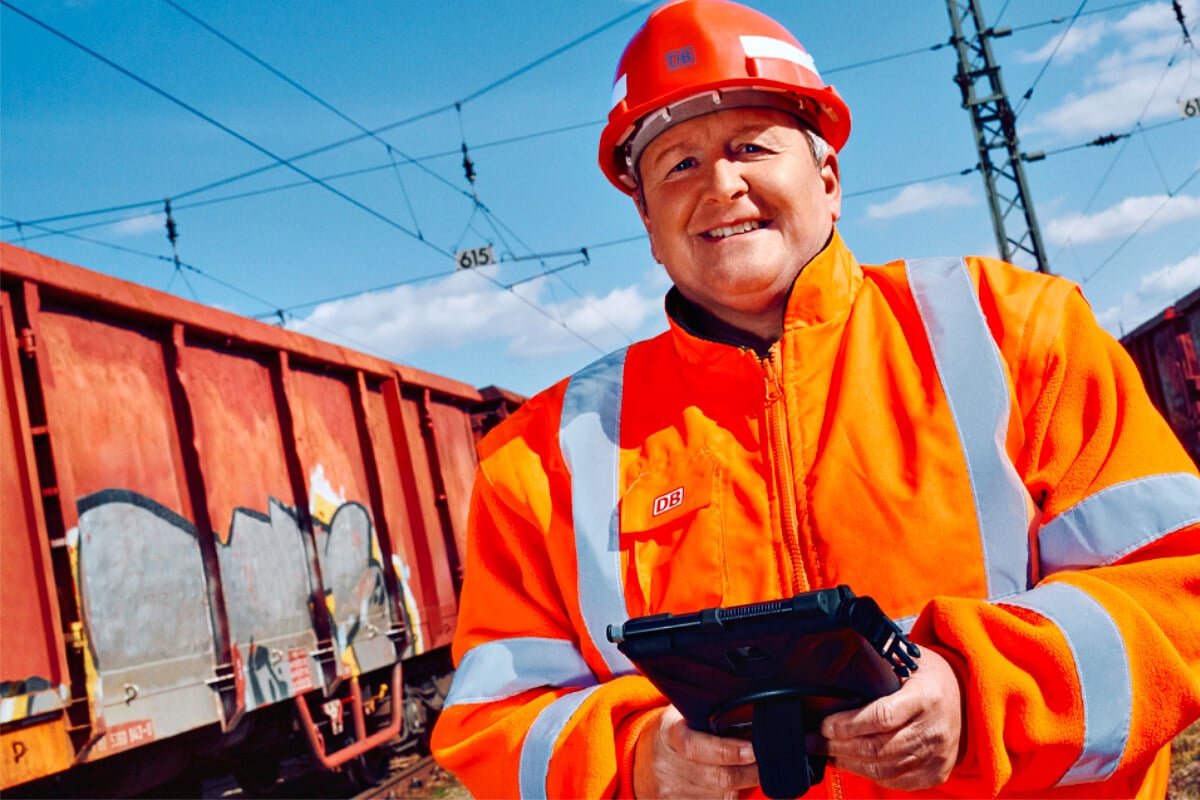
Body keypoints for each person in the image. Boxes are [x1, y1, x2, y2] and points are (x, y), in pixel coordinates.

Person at [430, 1, 1200, 796]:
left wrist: (977, 697)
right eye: (678, 166)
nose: (722, 184)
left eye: (750, 146)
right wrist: (637, 761)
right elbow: (495, 721)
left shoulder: (1017, 333)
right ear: (650, 226)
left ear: (828, 178)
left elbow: (1179, 591)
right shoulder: (541, 459)